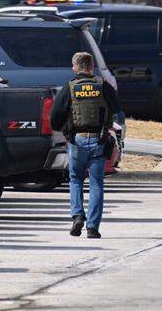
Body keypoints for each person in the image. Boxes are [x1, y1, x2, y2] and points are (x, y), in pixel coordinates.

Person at [50, 52, 121, 239]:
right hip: (99, 140)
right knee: (96, 184)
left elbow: (55, 117)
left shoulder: (69, 88)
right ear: (91, 67)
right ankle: (92, 227)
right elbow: (116, 108)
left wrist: (61, 128)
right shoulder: (103, 86)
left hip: (76, 141)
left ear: (76, 67)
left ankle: (77, 215)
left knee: (76, 180)